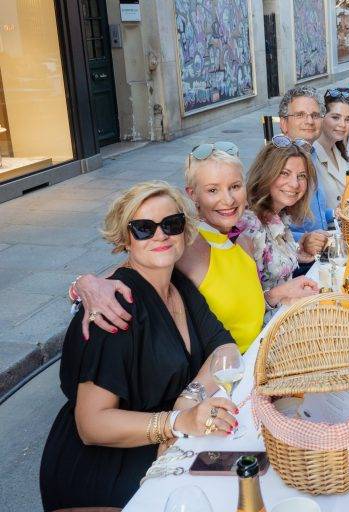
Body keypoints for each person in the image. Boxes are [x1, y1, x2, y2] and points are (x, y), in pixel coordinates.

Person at [41, 182, 241, 510]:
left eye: (172, 224)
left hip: (164, 441)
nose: (161, 235)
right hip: (105, 468)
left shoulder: (178, 286)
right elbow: (91, 424)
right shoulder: (114, 308)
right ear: (125, 238)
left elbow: (225, 349)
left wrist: (187, 399)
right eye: (144, 228)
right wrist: (175, 422)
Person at [71, 144, 319, 353]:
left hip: (262, 355)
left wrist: (276, 295)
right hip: (223, 376)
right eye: (212, 190)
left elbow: (242, 309)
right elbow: (129, 270)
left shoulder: (243, 240)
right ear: (192, 195)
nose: (228, 200)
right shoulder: (187, 243)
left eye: (235, 186)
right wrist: (85, 283)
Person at [237, 142, 323, 322]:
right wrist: (277, 294)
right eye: (284, 173)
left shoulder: (280, 215)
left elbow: (273, 266)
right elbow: (240, 303)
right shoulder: (248, 225)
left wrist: (299, 253)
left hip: (288, 316)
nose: (295, 184)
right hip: (267, 330)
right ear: (266, 174)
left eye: (301, 176)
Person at [277, 87, 336, 242]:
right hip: (295, 255)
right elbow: (265, 225)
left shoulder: (311, 154)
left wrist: (336, 214)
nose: (309, 121)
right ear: (284, 123)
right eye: (300, 115)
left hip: (320, 247)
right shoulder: (277, 162)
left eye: (315, 115)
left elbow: (313, 214)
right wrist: (305, 239)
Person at [313, 88, 349, 209]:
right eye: (335, 117)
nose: (342, 124)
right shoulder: (311, 155)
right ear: (321, 117)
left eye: (348, 119)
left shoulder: (339, 150)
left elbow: (345, 193)